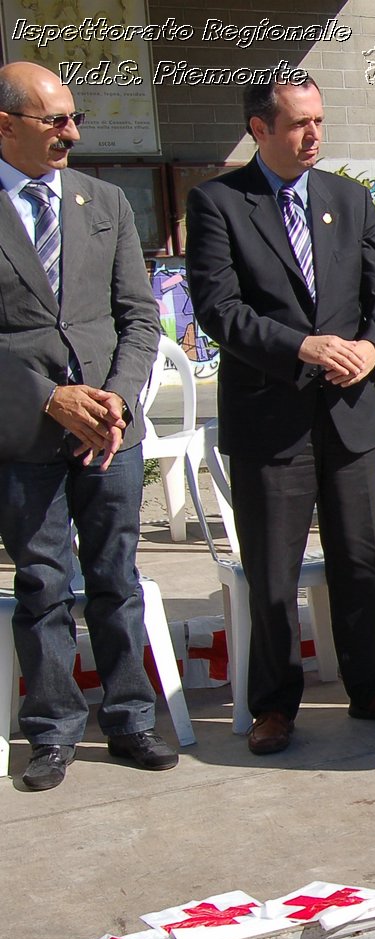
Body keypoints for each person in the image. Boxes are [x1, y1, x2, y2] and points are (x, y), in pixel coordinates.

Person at [187, 76, 375, 755]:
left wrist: (368, 348)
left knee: (361, 561)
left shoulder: (348, 200)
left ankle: (373, 688)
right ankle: (274, 705)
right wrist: (301, 346)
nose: (313, 135)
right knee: (273, 572)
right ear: (260, 129)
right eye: (298, 124)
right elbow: (219, 310)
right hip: (272, 416)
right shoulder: (217, 203)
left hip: (350, 411)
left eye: (320, 120)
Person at [0, 61, 176, 790]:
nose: (72, 133)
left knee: (116, 576)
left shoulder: (103, 202)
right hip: (23, 434)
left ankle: (131, 717)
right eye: (55, 121)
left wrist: (115, 399)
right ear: (5, 125)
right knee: (43, 584)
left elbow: (139, 316)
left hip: (110, 431)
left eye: (74, 119)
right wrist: (49, 397)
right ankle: (52, 730)